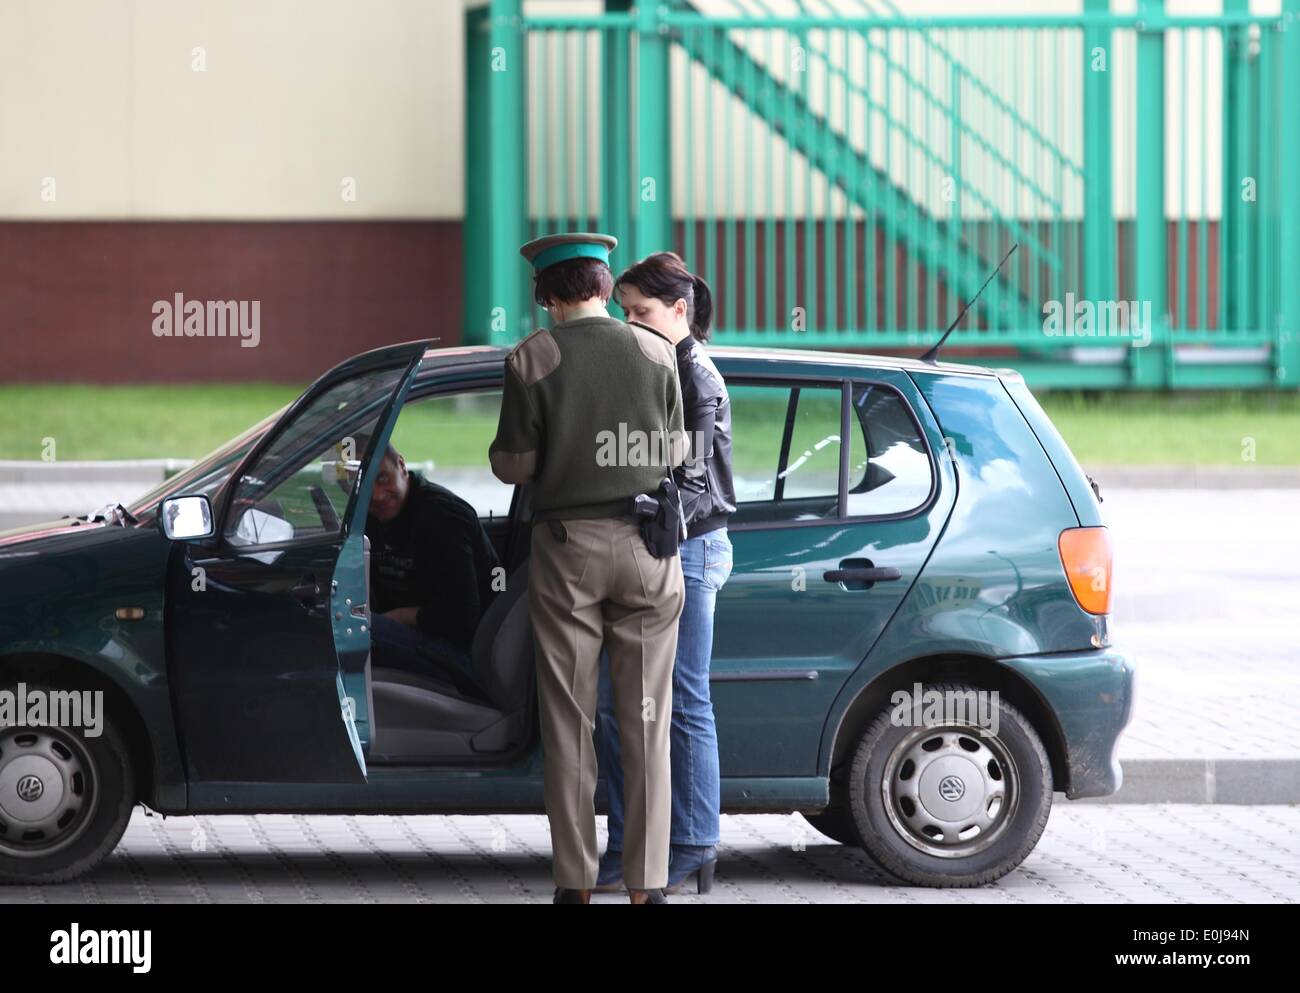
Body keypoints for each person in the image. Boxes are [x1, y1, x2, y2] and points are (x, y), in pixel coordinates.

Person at [488, 231, 687, 905]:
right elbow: (675, 451)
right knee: (647, 719)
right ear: (605, 287)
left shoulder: (532, 357)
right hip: (648, 553)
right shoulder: (659, 351)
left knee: (570, 720)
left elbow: (514, 466)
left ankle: (574, 880)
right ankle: (646, 883)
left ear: (546, 295)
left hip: (569, 551)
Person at [596, 251, 736, 894]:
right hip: (663, 545)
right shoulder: (659, 364)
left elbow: (695, 481)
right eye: (624, 312)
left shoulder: (695, 373)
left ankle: (695, 842)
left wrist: (655, 514)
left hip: (692, 546)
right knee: (625, 702)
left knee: (683, 702)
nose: (631, 323)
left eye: (642, 312)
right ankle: (630, 843)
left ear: (679, 311)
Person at [365, 444, 501, 701]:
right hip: (425, 639)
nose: (376, 495)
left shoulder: (443, 517)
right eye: (362, 484)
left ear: (402, 467)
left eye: (382, 478)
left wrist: (394, 618)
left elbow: (462, 619)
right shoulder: (368, 515)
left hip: (469, 657)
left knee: (355, 629)